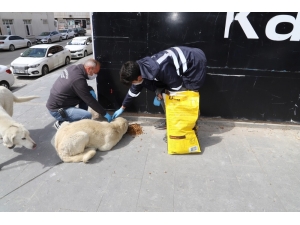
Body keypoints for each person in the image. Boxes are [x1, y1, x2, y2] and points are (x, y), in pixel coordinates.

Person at [112, 46, 207, 135]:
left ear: (139, 77)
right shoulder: (139, 68)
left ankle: (188, 127)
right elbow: (134, 89)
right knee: (164, 96)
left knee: (184, 96)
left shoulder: (161, 68)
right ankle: (171, 122)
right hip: (175, 70)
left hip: (195, 63)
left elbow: (177, 87)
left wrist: (162, 92)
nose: (133, 84)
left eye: (133, 82)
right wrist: (123, 107)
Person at [46, 58, 112, 129]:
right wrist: (104, 113)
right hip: (58, 110)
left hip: (61, 102)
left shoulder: (74, 68)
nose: (95, 75)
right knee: (87, 115)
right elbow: (89, 100)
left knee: (87, 94)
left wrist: (89, 90)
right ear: (89, 69)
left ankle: (78, 117)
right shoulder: (78, 79)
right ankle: (61, 123)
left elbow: (82, 89)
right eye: (95, 73)